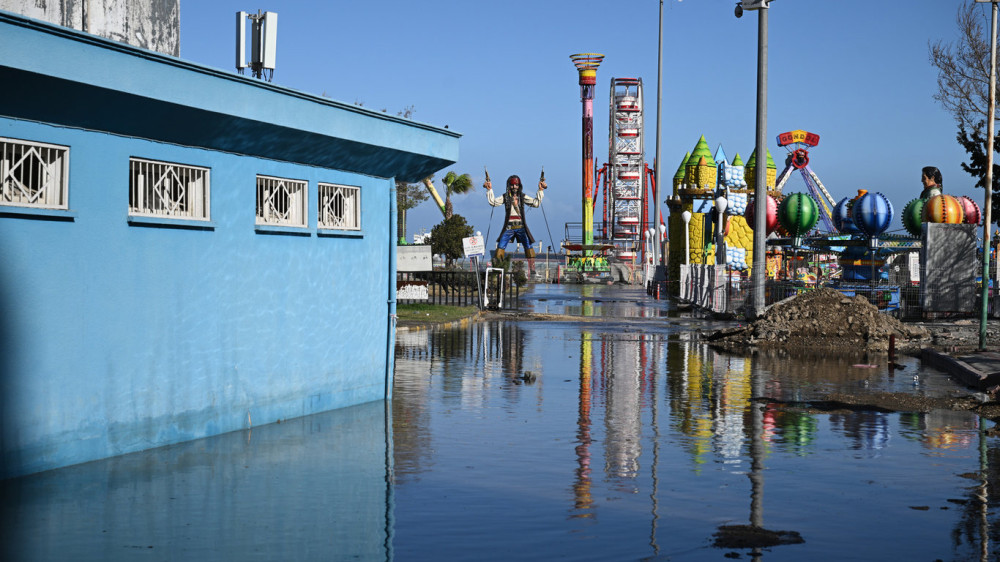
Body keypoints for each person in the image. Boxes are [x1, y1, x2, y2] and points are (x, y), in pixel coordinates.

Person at [485, 174, 546, 273]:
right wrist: (489, 190)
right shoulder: (505, 197)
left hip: (521, 226)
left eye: (516, 185)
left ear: (519, 186)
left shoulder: (522, 197)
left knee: (528, 245)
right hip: (509, 227)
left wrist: (540, 190)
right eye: (512, 185)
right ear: (509, 185)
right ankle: (499, 268)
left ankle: (532, 268)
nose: (514, 187)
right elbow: (493, 202)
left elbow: (536, 203)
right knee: (501, 246)